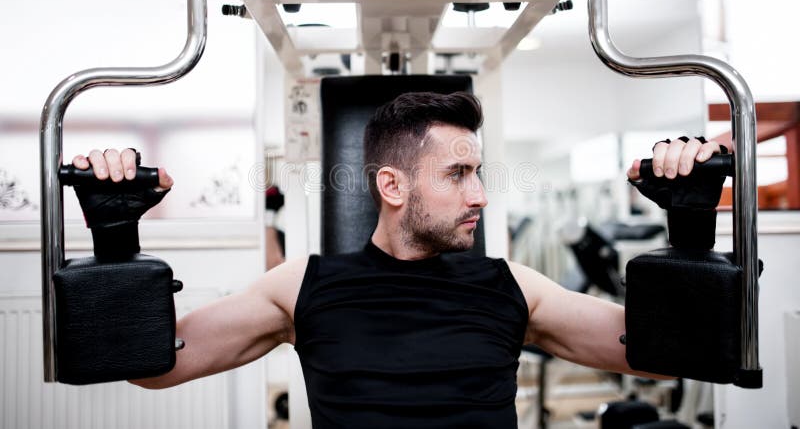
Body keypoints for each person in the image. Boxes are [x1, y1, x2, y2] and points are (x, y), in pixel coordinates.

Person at [70, 92, 724, 428]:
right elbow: (155, 371)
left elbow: (665, 353)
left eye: (480, 173)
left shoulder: (512, 286)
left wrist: (692, 225)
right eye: (459, 175)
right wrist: (116, 240)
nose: (480, 195)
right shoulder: (302, 286)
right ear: (393, 186)